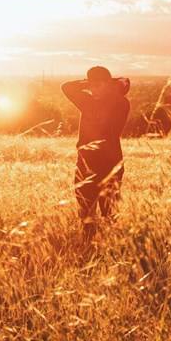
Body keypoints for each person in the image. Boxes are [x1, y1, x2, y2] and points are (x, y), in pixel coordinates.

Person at [62, 66, 131, 241]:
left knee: (109, 212)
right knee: (85, 212)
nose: (93, 90)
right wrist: (90, 83)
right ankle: (88, 246)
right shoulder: (87, 101)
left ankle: (111, 248)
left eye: (97, 85)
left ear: (108, 85)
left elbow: (119, 94)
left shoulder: (120, 103)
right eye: (91, 86)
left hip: (110, 163)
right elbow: (66, 87)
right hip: (86, 163)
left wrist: (113, 84)